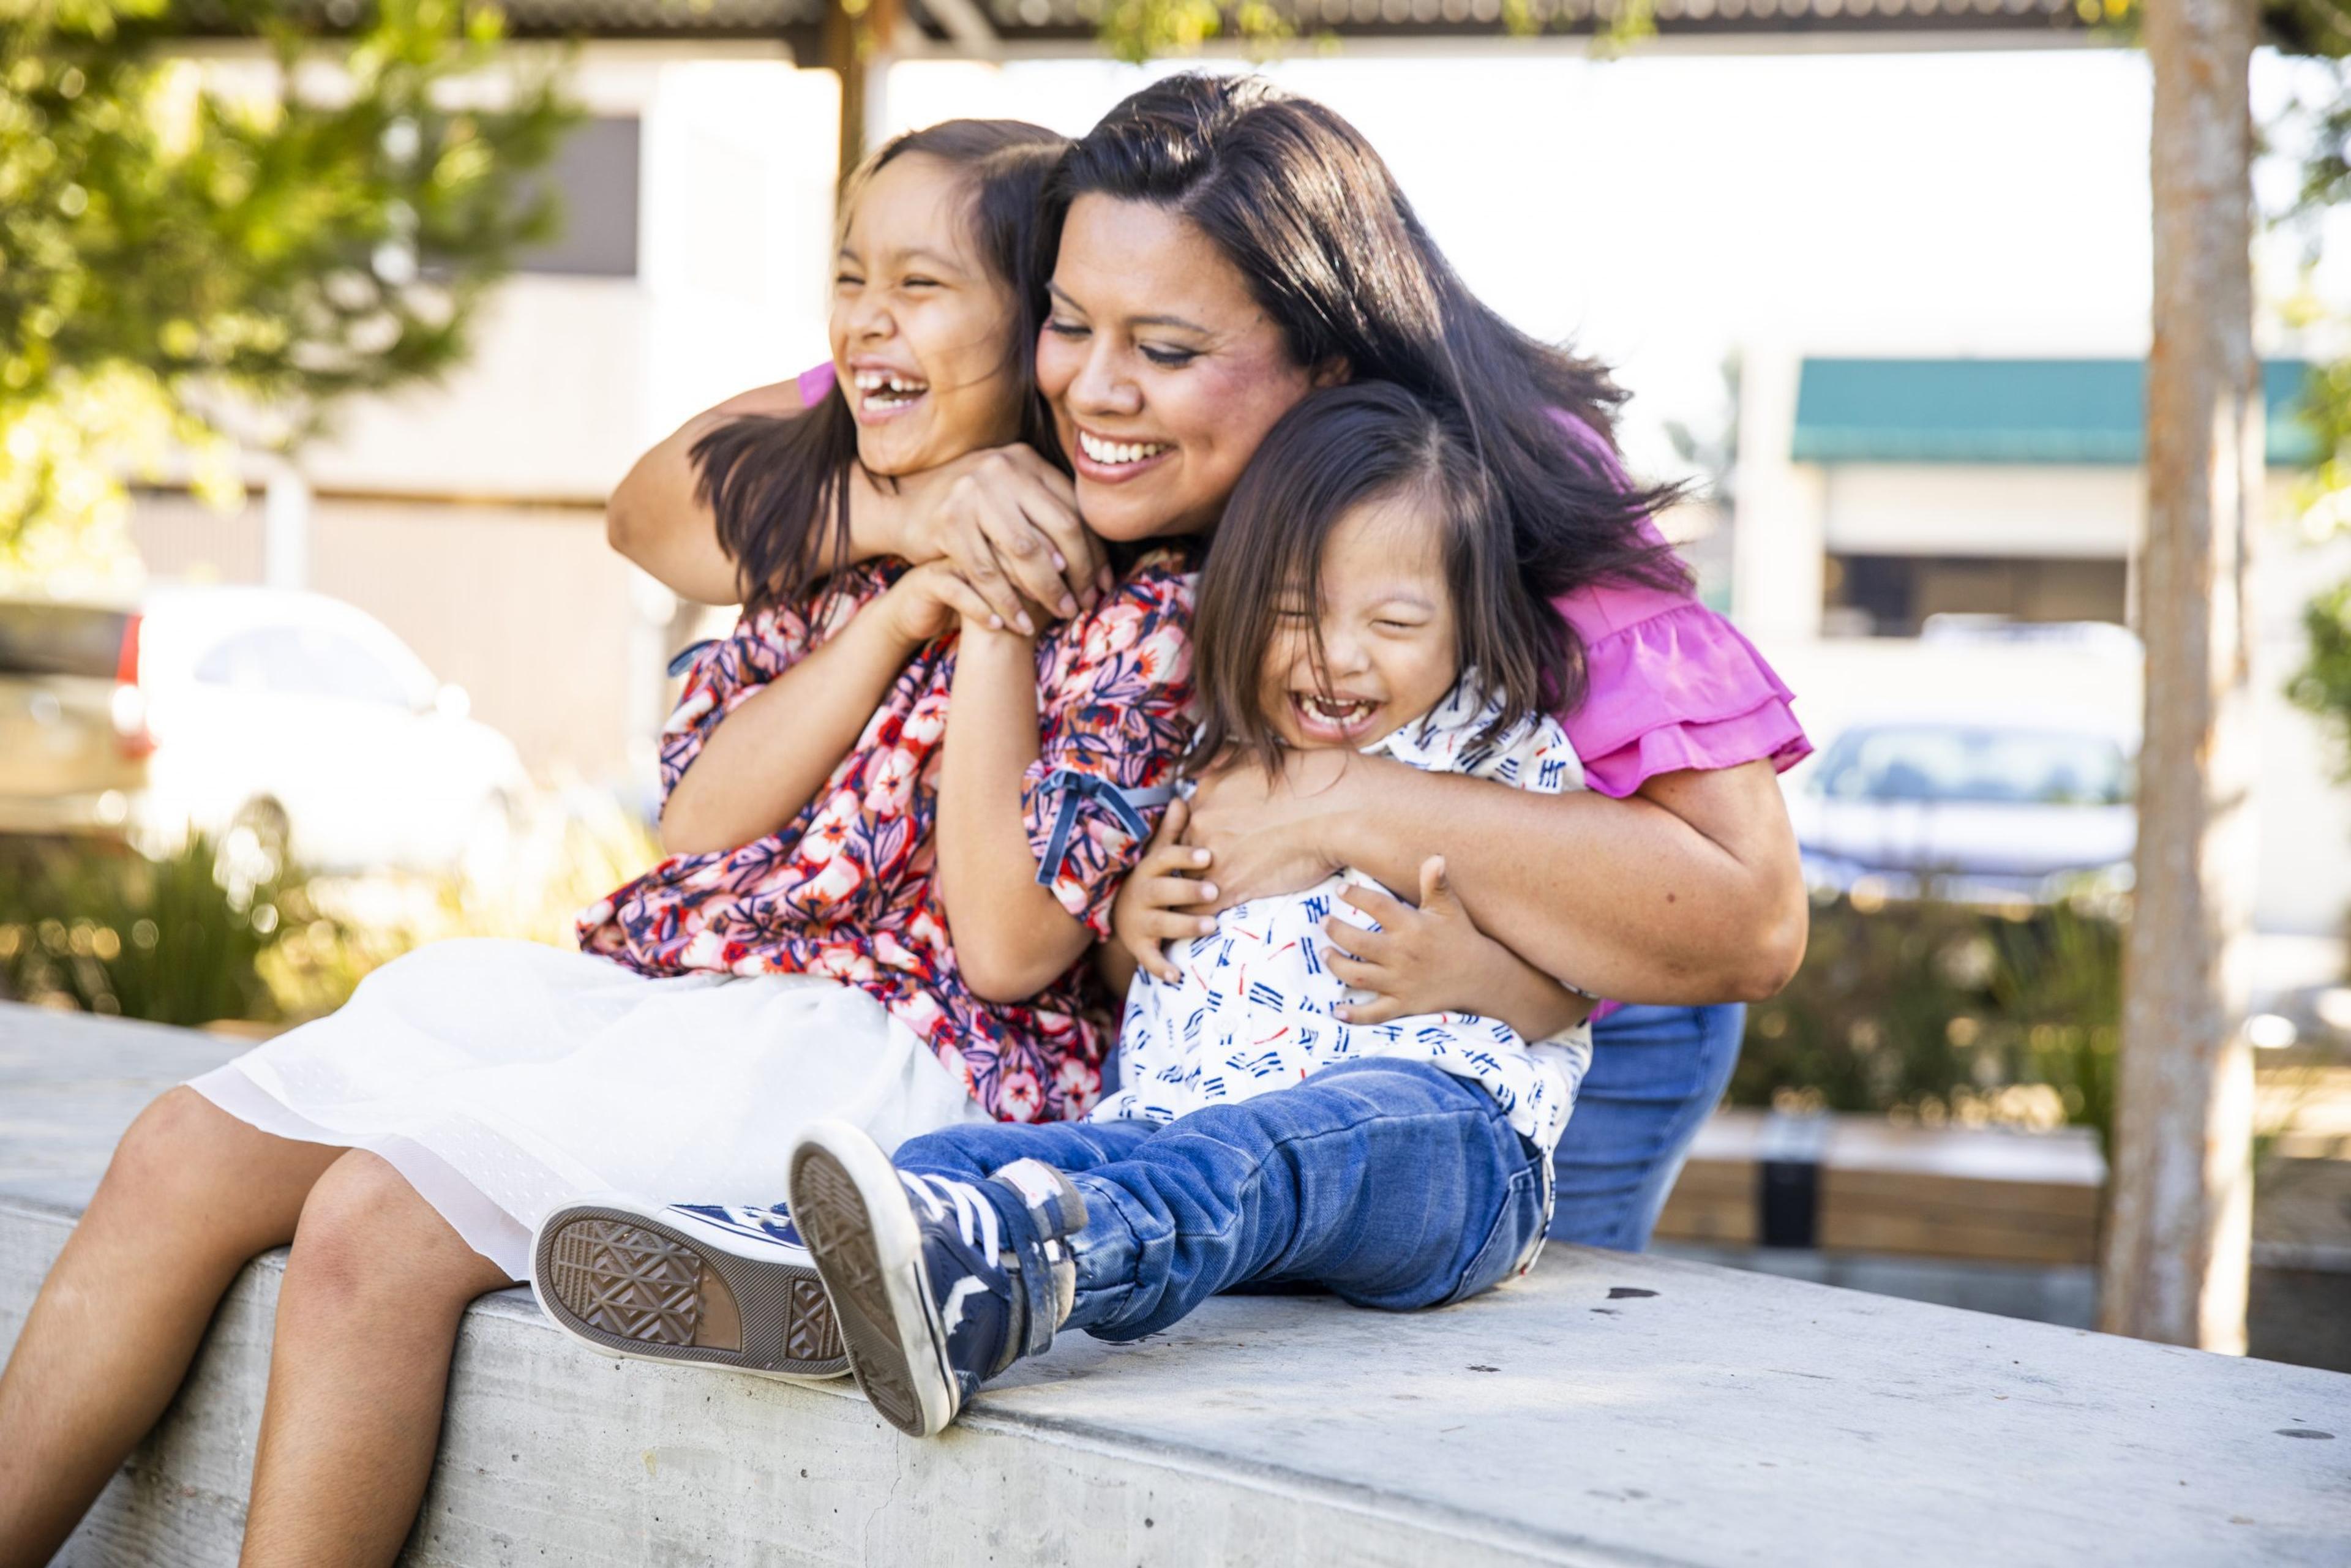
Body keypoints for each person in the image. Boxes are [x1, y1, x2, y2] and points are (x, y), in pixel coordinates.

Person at [0, 119, 1196, 1568]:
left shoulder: (1135, 605)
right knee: (185, 1142)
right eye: (847, 275)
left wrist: (997, 611)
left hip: (882, 1041)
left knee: (378, 1228)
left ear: (1041, 338)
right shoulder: (839, 539)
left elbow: (1007, 950)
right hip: (690, 989)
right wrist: (897, 601)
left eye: (923, 286)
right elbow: (696, 828)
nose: (867, 319)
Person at [606, 73, 1812, 1267]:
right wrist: (914, 502)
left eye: (1169, 349)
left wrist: (1334, 804)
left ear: (1325, 367)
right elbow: (654, 512)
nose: (1094, 389)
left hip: (1540, 1008)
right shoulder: (1064, 392)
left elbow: (1746, 918)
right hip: (1228, 1009)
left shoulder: (1481, 474)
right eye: (1068, 324)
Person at [781, 378, 1605, 1438]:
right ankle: (830, 1271)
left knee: (1271, 1145)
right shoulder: (1214, 764)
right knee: (973, 1158)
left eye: (1394, 622)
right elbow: (1155, 988)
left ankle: (1051, 1265)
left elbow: (1576, 994)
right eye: (1295, 612)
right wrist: (1132, 933)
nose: (1337, 655)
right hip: (1182, 1137)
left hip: (1442, 1148)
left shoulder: (1493, 754)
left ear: (1465, 624)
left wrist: (1476, 977)